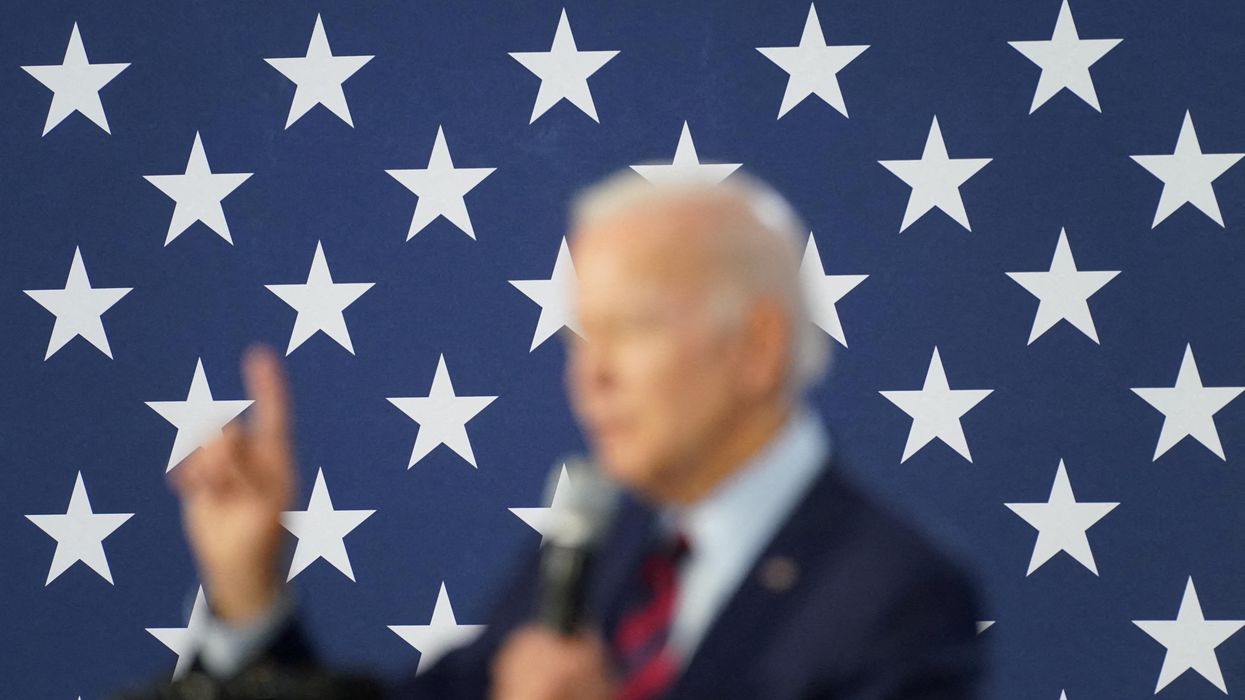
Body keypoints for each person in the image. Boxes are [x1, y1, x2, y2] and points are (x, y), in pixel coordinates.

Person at [163, 171, 983, 699]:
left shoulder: (899, 600)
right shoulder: (595, 557)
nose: (588, 377)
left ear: (758, 347)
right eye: (576, 341)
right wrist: (248, 598)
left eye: (628, 330)